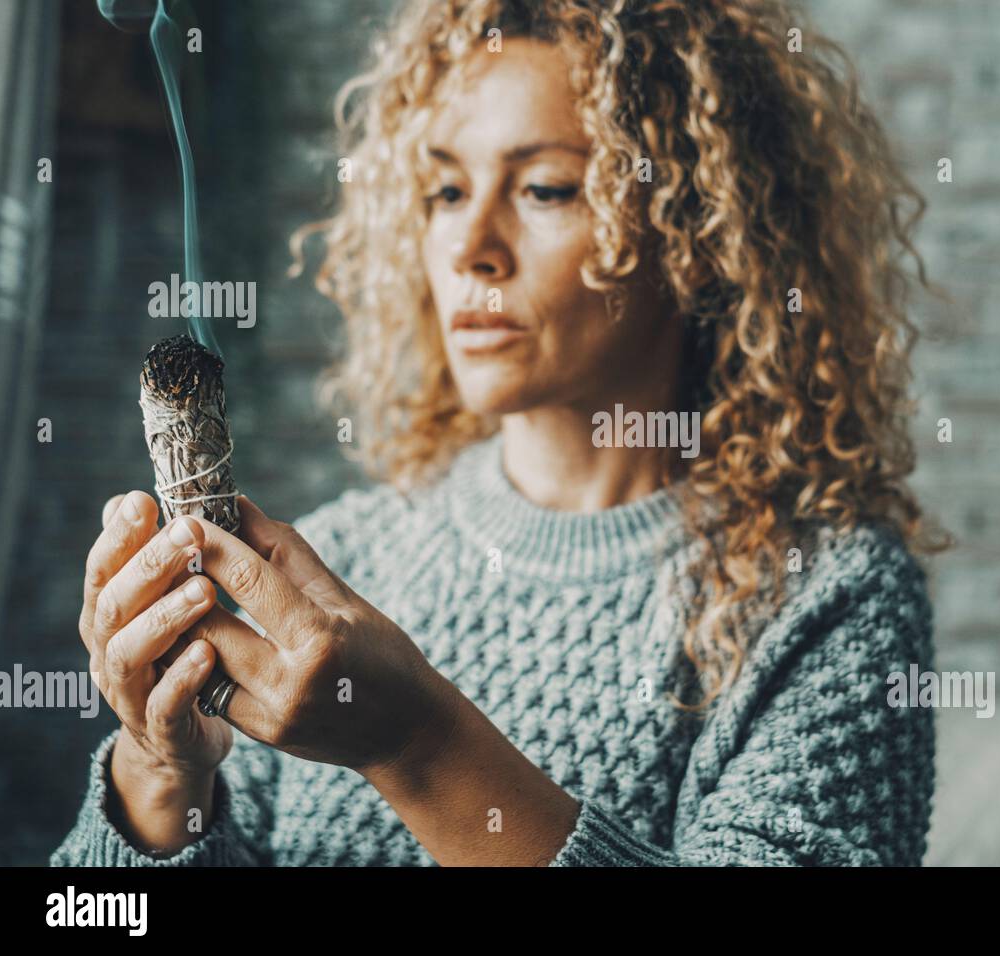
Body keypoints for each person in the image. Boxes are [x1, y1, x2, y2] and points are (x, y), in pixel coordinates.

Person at [52, 0, 946, 867]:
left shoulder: (829, 597)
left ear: (699, 227)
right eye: (444, 188)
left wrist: (415, 744)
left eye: (546, 188)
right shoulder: (345, 561)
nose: (470, 243)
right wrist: (159, 781)